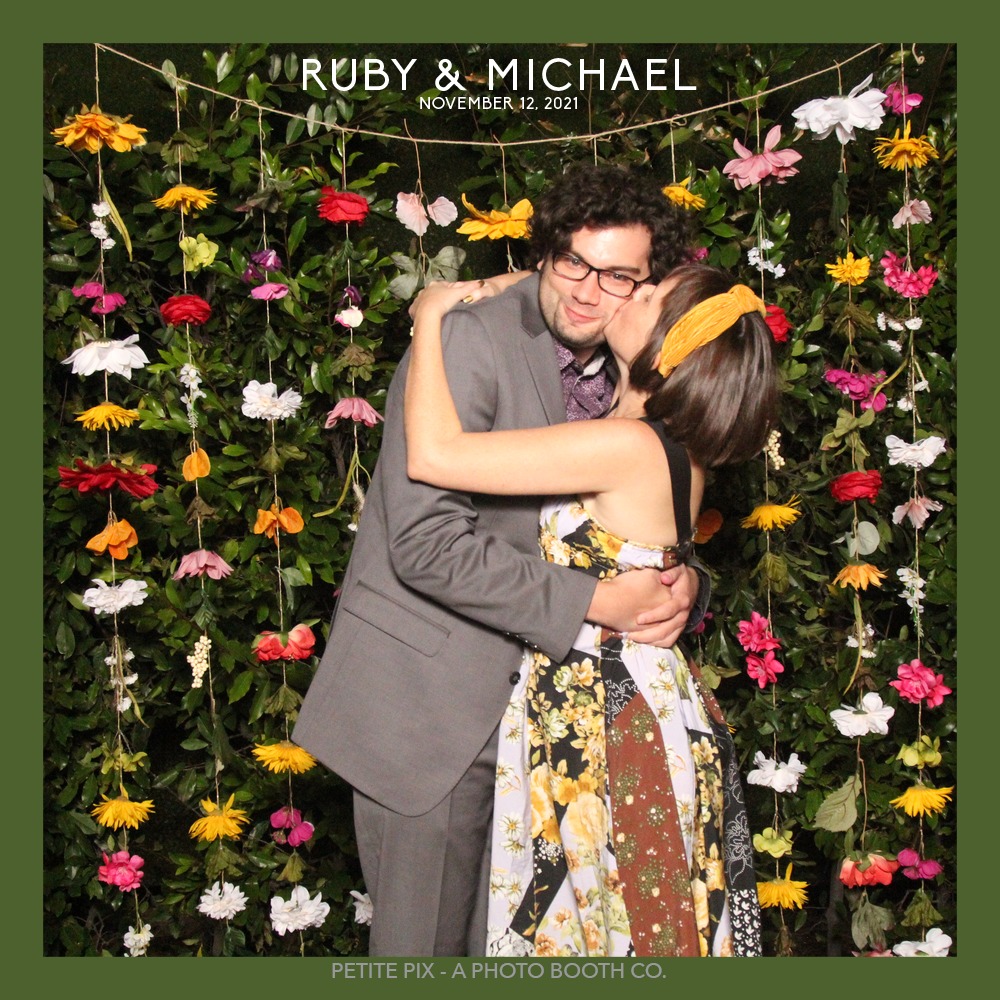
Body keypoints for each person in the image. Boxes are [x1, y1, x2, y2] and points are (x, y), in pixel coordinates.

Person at [293, 163, 707, 956]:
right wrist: (597, 600)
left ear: (649, 285)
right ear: (544, 250)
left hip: (554, 739)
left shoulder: (643, 368)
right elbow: (426, 543)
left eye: (619, 276)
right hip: (439, 716)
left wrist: (677, 580)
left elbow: (651, 498)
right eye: (573, 262)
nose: (587, 292)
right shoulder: (469, 338)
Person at [403, 263, 777, 957]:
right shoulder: (653, 439)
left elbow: (433, 455)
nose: (628, 292)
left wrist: (429, 317)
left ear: (671, 345)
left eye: (648, 294)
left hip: (610, 717)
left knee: (624, 926)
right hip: (612, 699)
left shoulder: (627, 444)